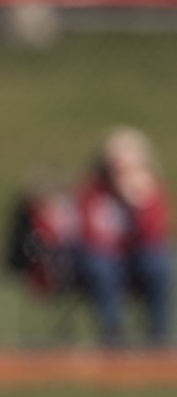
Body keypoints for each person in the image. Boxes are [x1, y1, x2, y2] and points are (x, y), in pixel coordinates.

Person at [73, 126, 170, 347]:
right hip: (106, 259)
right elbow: (88, 233)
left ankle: (159, 332)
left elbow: (153, 234)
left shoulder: (151, 191)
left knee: (157, 263)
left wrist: (137, 204)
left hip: (138, 260)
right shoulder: (93, 193)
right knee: (100, 266)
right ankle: (113, 332)